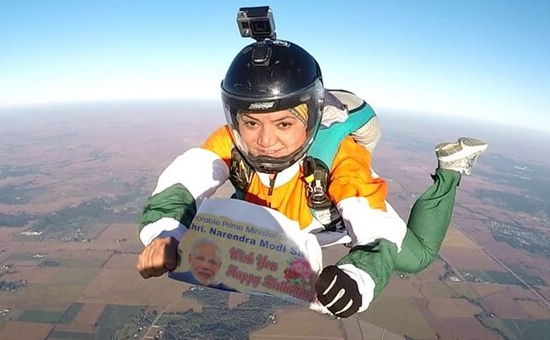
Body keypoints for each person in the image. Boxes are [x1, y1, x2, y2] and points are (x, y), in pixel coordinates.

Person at [137, 36, 487, 318]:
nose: (265, 140)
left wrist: (355, 279)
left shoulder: (341, 159)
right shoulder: (230, 141)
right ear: (235, 118)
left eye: (284, 123)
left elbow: (374, 232)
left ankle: (451, 170)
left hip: (333, 221)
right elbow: (187, 178)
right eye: (251, 122)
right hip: (286, 224)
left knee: (416, 258)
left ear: (312, 119)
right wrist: (166, 233)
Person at [169, 238, 237, 292]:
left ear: (219, 266)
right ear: (190, 259)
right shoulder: (172, 280)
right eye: (200, 259)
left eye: (212, 262)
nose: (206, 266)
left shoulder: (227, 292)